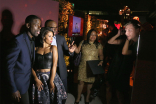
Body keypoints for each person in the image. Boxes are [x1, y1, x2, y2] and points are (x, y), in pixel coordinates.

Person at [4, 15, 41, 104]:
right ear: (28, 25)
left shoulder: (32, 40)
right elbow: (8, 67)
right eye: (36, 25)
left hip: (27, 83)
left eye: (40, 25)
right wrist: (13, 89)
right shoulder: (17, 41)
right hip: (18, 86)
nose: (39, 27)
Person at [106, 20, 140, 104]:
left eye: (129, 30)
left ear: (137, 30)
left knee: (120, 93)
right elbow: (110, 42)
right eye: (126, 30)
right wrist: (118, 34)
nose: (126, 32)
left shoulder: (137, 44)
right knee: (110, 87)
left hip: (123, 71)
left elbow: (124, 52)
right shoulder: (125, 40)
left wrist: (127, 39)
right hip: (115, 67)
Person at [31, 27, 67, 104]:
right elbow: (31, 66)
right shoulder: (35, 49)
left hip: (51, 76)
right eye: (49, 36)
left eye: (52, 36)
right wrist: (36, 79)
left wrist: (51, 81)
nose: (52, 39)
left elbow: (54, 65)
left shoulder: (53, 48)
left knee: (53, 100)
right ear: (44, 37)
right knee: (42, 101)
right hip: (39, 78)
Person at [45, 20, 76, 104]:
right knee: (50, 91)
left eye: (56, 28)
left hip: (60, 69)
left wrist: (71, 51)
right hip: (48, 69)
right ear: (46, 28)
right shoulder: (41, 40)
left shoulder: (61, 38)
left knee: (63, 92)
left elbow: (67, 52)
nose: (55, 29)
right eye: (52, 27)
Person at [74, 29, 104, 104]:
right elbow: (77, 51)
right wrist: (74, 48)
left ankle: (87, 98)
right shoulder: (83, 42)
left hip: (92, 66)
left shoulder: (98, 45)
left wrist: (101, 60)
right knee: (81, 82)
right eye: (92, 34)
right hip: (83, 65)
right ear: (88, 35)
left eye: (95, 35)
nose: (93, 36)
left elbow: (101, 55)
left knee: (90, 83)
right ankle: (78, 98)